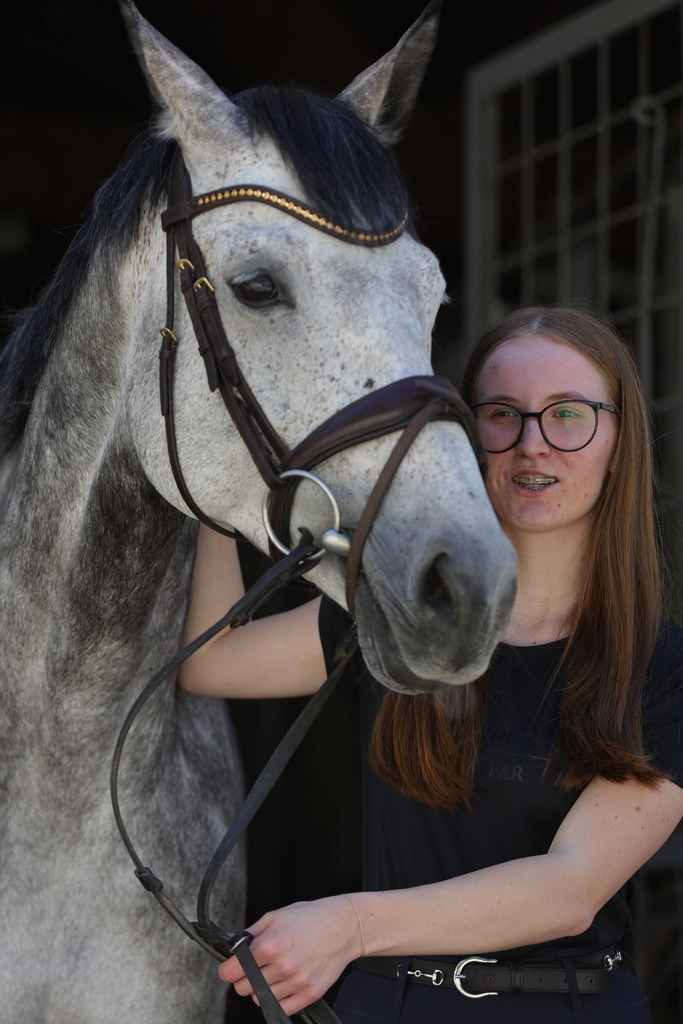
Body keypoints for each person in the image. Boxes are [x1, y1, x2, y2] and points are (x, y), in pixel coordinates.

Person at [178, 306, 683, 1023]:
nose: (532, 445)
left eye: (568, 415)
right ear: (465, 438)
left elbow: (569, 891)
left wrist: (346, 925)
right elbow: (213, 662)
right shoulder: (395, 620)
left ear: (618, 438)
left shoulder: (662, 669)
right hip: (382, 1005)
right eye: (502, 414)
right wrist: (213, 494)